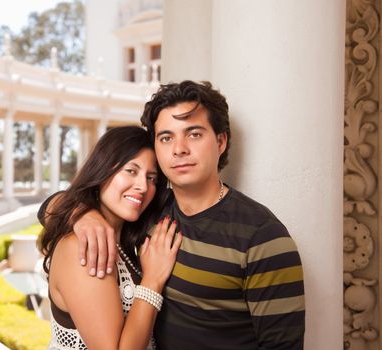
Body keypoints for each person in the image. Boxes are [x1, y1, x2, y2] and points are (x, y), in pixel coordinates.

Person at [39, 81, 305, 349]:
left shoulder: (261, 236)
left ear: (221, 141)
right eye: (166, 137)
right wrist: (82, 214)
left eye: (194, 134)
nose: (179, 149)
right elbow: (54, 208)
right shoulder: (147, 212)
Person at [38, 126, 182, 350]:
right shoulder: (84, 247)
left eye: (151, 178)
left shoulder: (126, 241)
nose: (143, 186)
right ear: (102, 170)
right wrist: (153, 280)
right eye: (131, 171)